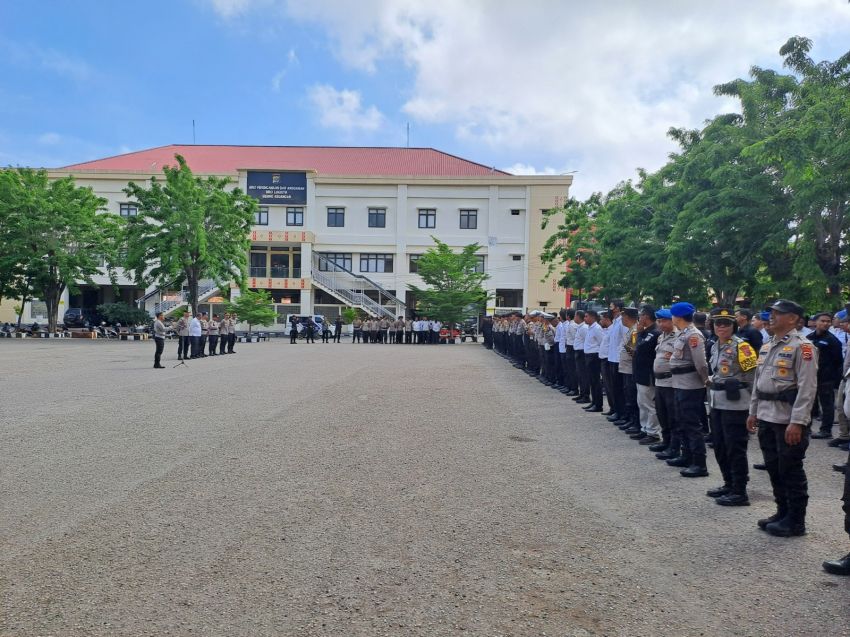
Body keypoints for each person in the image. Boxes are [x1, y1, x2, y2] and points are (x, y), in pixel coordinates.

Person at [747, 299, 818, 537]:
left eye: (778, 313)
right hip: (767, 416)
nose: (772, 316)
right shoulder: (768, 345)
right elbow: (758, 383)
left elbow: (808, 388)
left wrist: (798, 421)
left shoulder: (803, 346)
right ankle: (782, 512)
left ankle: (796, 521)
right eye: (771, 313)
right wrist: (753, 411)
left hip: (787, 419)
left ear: (793, 319)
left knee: (790, 470)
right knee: (774, 468)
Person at [706, 307, 758, 506]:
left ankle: (739, 490)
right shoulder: (714, 346)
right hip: (717, 402)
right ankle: (728, 483)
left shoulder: (742, 347)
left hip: (737, 404)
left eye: (726, 323)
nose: (721, 326)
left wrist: (754, 408)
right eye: (718, 323)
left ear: (734, 326)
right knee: (719, 445)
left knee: (735, 447)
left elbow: (753, 377)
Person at [668, 301, 710, 478]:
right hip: (679, 383)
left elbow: (701, 364)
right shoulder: (682, 333)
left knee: (692, 424)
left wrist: (704, 382)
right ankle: (686, 456)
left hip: (690, 385)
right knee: (681, 421)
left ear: (677, 316)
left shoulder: (693, 335)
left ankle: (699, 463)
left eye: (673, 315)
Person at [808, 312, 844, 440]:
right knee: (809, 403)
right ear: (815, 322)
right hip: (810, 377)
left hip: (826, 378)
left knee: (827, 404)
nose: (826, 323)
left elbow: (838, 361)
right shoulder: (809, 338)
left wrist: (832, 377)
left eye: (828, 321)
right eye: (822, 321)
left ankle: (826, 430)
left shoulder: (832, 340)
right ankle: (806, 428)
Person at [653, 308, 680, 459]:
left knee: (672, 416)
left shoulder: (678, 337)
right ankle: (666, 441)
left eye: (664, 321)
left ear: (672, 321)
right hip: (659, 381)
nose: (661, 324)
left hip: (671, 382)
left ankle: (674, 447)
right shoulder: (661, 336)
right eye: (659, 321)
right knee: (661, 414)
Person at [632, 306, 662, 444]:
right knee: (641, 403)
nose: (640, 318)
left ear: (647, 316)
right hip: (640, 372)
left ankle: (653, 432)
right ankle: (644, 428)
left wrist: (638, 333)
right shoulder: (645, 332)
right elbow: (632, 348)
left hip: (648, 373)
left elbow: (640, 348)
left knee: (649, 404)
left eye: (641, 315)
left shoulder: (654, 332)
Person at [582, 310, 604, 412]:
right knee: (591, 380)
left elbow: (601, 343)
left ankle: (598, 405)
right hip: (588, 356)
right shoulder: (590, 328)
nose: (585, 318)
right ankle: (594, 402)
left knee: (595, 381)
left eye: (586, 316)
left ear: (593, 317)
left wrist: (597, 356)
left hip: (594, 357)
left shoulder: (597, 328)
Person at [572, 310, 589, 403]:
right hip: (578, 352)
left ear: (578, 317)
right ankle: (582, 394)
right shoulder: (580, 327)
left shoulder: (584, 328)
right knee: (580, 375)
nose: (574, 317)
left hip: (582, 353)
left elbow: (588, 341)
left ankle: (586, 396)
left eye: (575, 316)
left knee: (584, 375)